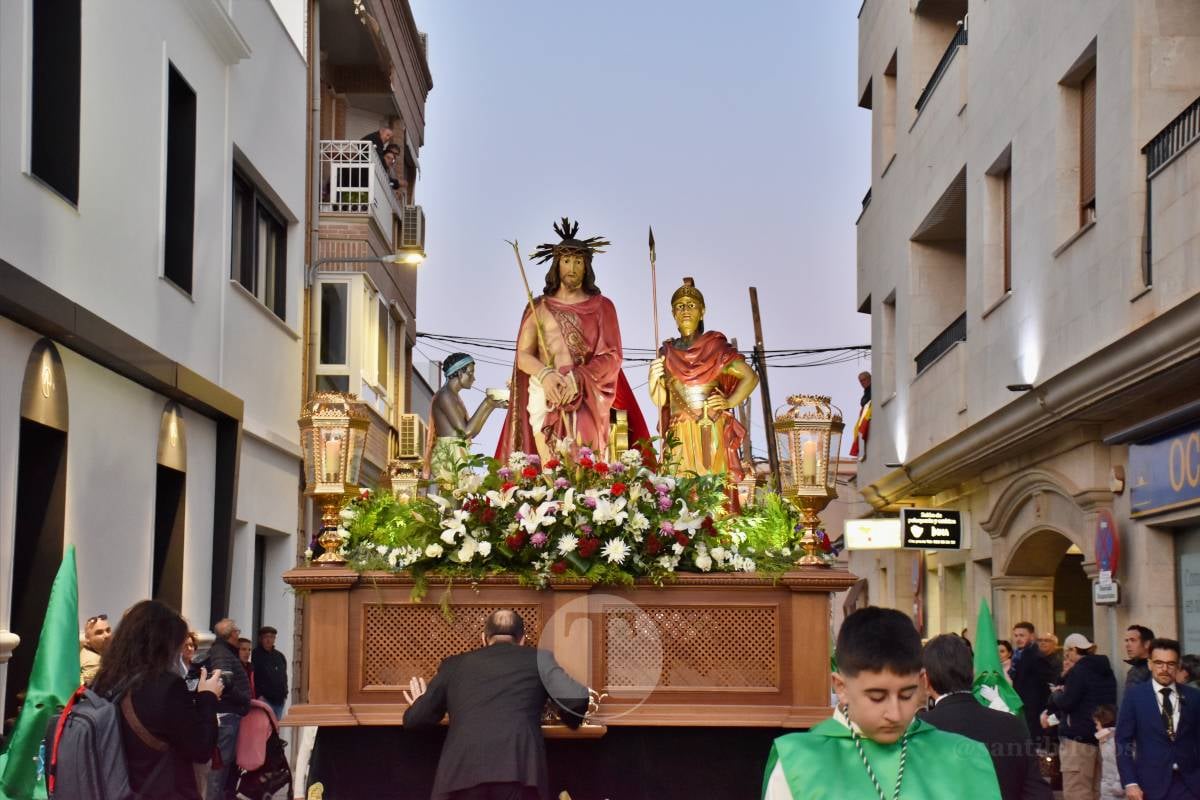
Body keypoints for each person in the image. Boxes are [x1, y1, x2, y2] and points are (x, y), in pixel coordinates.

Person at [761, 607, 1001, 799]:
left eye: (907, 695)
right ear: (841, 687)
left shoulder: (964, 757)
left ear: (921, 681)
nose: (894, 714)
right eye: (877, 697)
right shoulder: (800, 762)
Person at [496, 218, 649, 463]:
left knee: (587, 462)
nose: (573, 267)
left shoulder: (603, 307)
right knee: (550, 467)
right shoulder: (539, 308)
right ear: (556, 265)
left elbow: (612, 357)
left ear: (587, 267)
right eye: (566, 261)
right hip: (547, 394)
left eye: (579, 261)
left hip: (587, 396)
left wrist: (576, 378)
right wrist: (546, 375)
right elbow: (523, 355)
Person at [402, 609, 590, 800]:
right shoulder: (539, 659)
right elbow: (576, 700)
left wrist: (420, 704)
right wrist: (566, 717)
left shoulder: (454, 665)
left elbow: (416, 720)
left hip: (460, 775)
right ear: (523, 639)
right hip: (519, 773)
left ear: (483, 638)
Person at [90, 600, 223, 799]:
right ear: (163, 645)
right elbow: (201, 748)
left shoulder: (103, 682)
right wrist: (208, 697)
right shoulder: (167, 686)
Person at [648, 277, 758, 482]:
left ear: (702, 311)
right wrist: (653, 379)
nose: (685, 310)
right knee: (679, 485)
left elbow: (750, 377)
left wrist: (729, 402)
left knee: (712, 483)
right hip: (679, 427)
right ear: (673, 313)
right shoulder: (666, 352)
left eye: (691, 305)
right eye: (679, 307)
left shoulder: (714, 348)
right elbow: (661, 401)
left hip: (709, 425)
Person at [919, 634, 1051, 800]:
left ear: (926, 681)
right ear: (973, 674)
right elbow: (1036, 792)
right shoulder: (1011, 724)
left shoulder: (919, 730)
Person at [1116, 637, 1200, 800]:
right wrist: (1130, 782)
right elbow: (1123, 741)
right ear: (1150, 664)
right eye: (1159, 663)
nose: (1164, 669)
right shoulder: (1135, 696)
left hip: (1190, 785)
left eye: (1170, 664)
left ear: (1178, 666)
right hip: (1149, 786)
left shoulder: (1194, 697)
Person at [1042, 632, 1117, 800]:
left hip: (1077, 740)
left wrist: (1056, 694)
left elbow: (1067, 702)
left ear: (1074, 650)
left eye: (1067, 652)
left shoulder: (1079, 671)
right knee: (1096, 792)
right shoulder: (1106, 670)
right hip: (1101, 738)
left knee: (1077, 791)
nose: (1066, 656)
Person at [428, 353, 506, 483]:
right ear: (459, 373)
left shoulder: (453, 396)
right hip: (448, 453)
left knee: (459, 496)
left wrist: (491, 406)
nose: (473, 378)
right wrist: (486, 403)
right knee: (452, 497)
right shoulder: (445, 395)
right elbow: (465, 432)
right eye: (470, 373)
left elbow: (472, 432)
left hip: (456, 450)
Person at [206, 618, 252, 800]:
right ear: (232, 634)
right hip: (226, 718)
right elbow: (223, 680)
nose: (238, 634)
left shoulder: (224, 651)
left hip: (229, 716)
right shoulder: (221, 652)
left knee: (225, 767)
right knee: (219, 768)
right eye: (237, 631)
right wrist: (243, 699)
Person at [1011, 622, 1056, 740]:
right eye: (1015, 636)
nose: (1018, 639)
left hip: (1033, 709)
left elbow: (1045, 683)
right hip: (1021, 705)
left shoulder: (1036, 656)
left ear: (1032, 636)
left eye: (1022, 635)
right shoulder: (1017, 655)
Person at [252, 625, 288, 722]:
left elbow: (284, 676)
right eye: (266, 637)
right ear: (261, 639)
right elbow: (253, 677)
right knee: (264, 729)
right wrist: (259, 696)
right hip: (264, 700)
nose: (269, 640)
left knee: (275, 730)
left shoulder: (279, 656)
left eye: (272, 637)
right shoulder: (255, 655)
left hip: (279, 701)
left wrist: (285, 693)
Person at [1092, 704, 1123, 798]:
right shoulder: (1105, 740)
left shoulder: (1114, 741)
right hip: (1109, 789)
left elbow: (1122, 763)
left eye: (1097, 724)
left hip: (1115, 789)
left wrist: (1119, 782)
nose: (1096, 727)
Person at [79, 612, 112, 686]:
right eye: (99, 633)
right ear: (87, 639)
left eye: (108, 630)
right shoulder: (94, 664)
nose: (107, 635)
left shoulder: (88, 650)